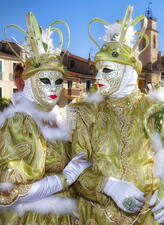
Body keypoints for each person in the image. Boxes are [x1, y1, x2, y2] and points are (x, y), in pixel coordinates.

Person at [69, 6, 164, 225]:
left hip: (145, 219)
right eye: (97, 69)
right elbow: (76, 171)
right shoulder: (85, 112)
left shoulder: (157, 110)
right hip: (94, 218)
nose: (97, 77)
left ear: (128, 72)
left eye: (107, 70)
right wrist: (107, 185)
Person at [0, 13, 90, 225]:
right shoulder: (19, 122)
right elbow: (10, 192)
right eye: (45, 80)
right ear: (28, 82)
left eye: (58, 81)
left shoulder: (58, 118)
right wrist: (66, 178)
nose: (53, 88)